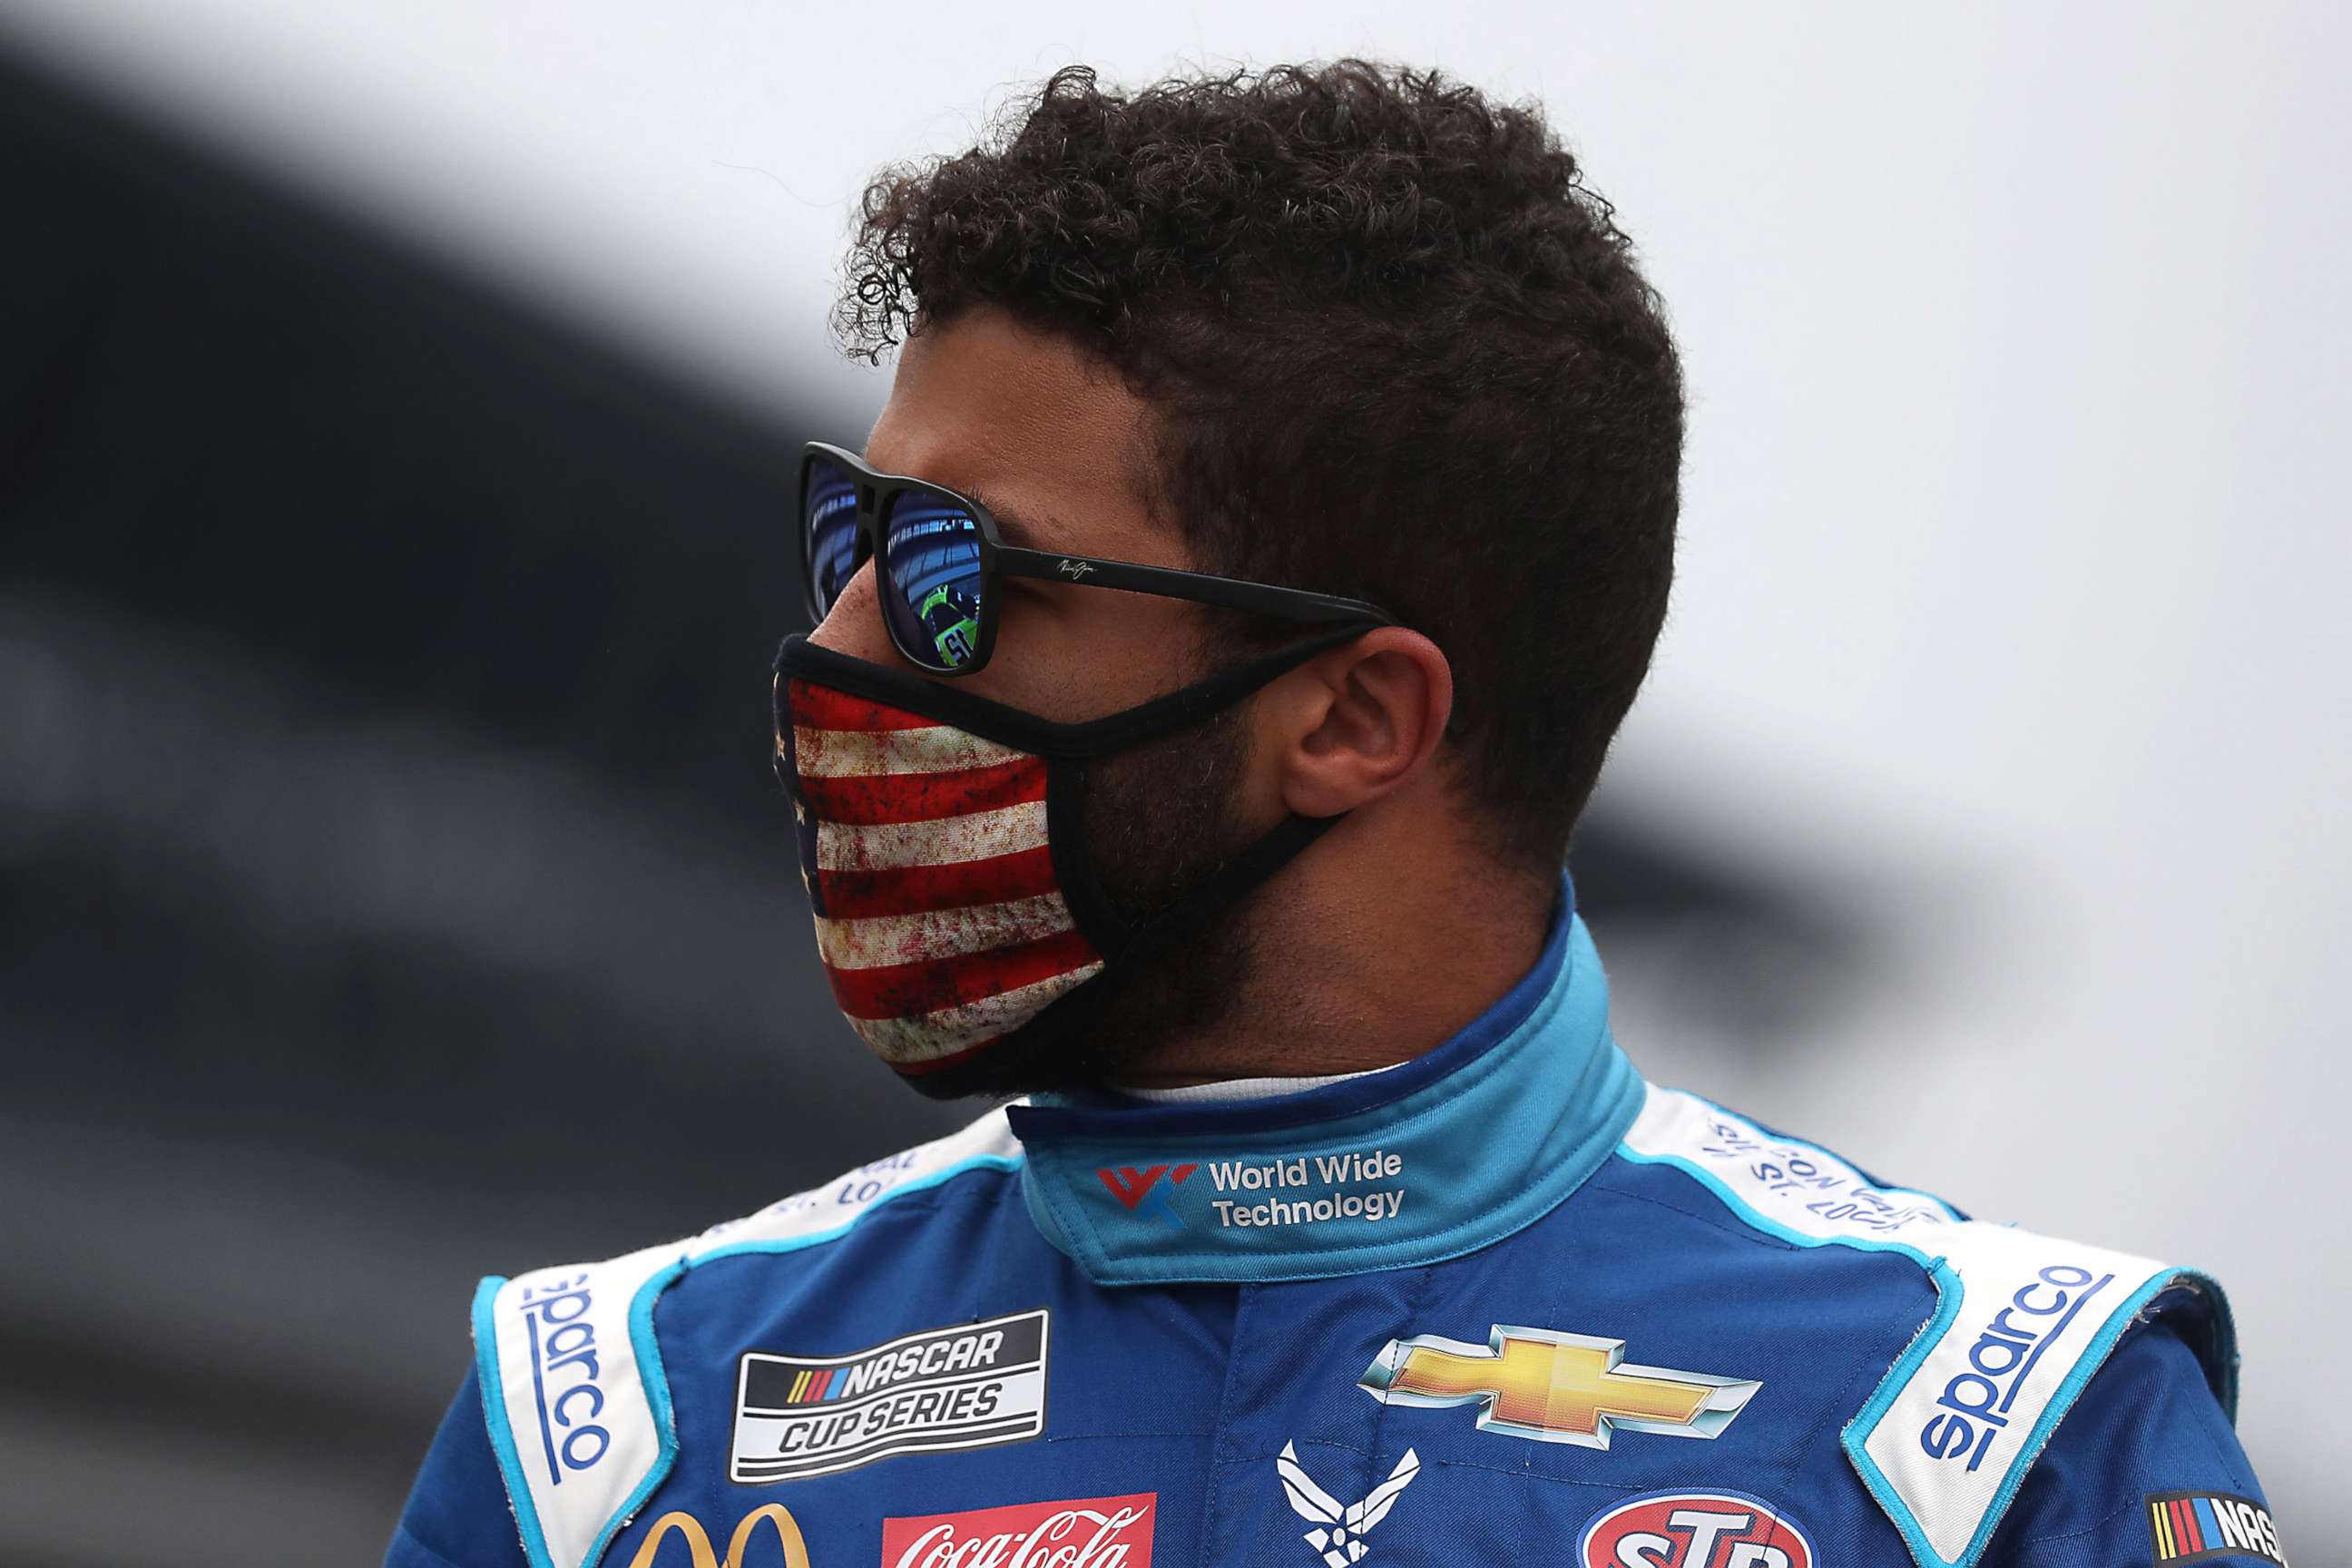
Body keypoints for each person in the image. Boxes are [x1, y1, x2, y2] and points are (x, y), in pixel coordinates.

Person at [386, 61, 2280, 1568]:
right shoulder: (612, 1434)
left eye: (961, 571)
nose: (840, 645)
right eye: (851, 539)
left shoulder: (1987, 1441)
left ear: (1358, 717)